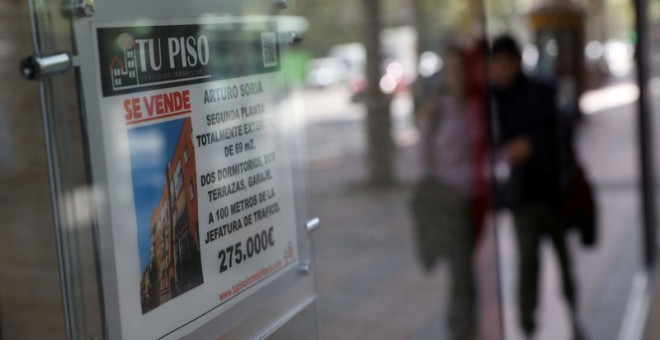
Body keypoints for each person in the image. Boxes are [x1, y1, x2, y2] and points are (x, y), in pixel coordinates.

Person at [489, 34, 582, 339]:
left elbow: (560, 134)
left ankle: (575, 320)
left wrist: (532, 146)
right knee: (528, 266)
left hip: (551, 192)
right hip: (523, 198)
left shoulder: (541, 92)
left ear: (515, 62)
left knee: (564, 263)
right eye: (494, 66)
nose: (498, 72)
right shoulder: (493, 101)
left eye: (503, 64)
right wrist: (508, 151)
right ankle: (527, 327)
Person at [414, 42, 489, 340]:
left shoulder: (477, 107)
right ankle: (461, 331)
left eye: (461, 69)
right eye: (450, 70)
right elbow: (420, 161)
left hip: (477, 200)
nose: (456, 75)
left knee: (467, 270)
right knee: (462, 275)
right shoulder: (436, 110)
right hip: (450, 203)